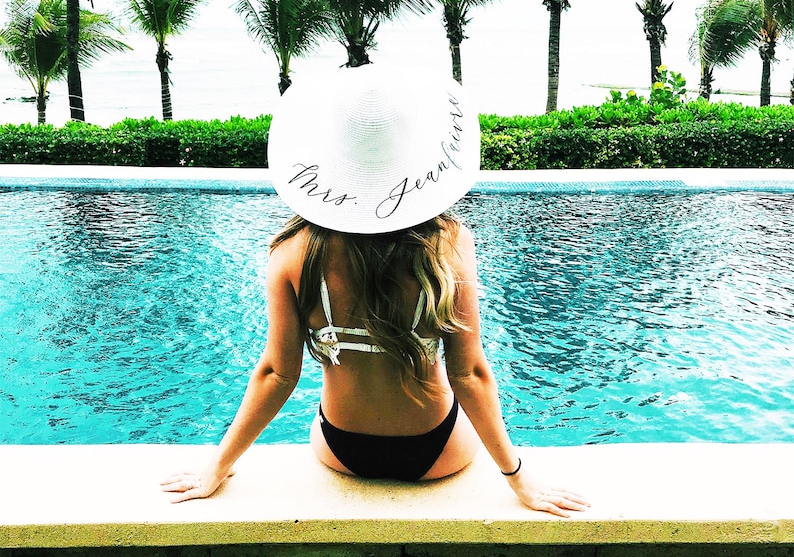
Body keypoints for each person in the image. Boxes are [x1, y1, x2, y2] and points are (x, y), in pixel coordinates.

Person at [161, 65, 588, 517]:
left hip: (343, 450)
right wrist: (519, 478)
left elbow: (276, 375)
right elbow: (470, 375)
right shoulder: (449, 244)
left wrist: (217, 467)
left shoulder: (291, 253)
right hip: (437, 452)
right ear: (420, 157)